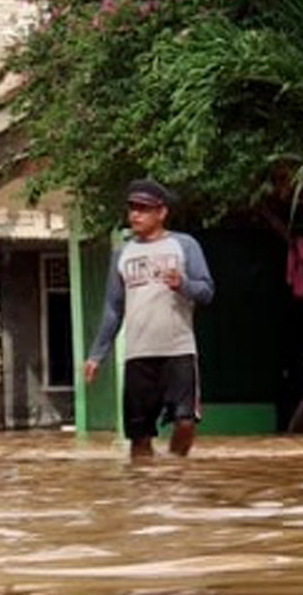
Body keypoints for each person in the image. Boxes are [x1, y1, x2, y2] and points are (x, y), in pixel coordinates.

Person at [82, 179, 216, 460]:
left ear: (161, 212)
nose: (135, 215)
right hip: (138, 355)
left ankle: (177, 471)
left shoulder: (184, 245)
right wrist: (96, 355)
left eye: (143, 209)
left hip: (179, 350)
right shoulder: (123, 253)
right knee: (139, 436)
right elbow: (112, 309)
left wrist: (183, 284)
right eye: (132, 208)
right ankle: (146, 490)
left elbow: (206, 292)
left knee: (185, 422)